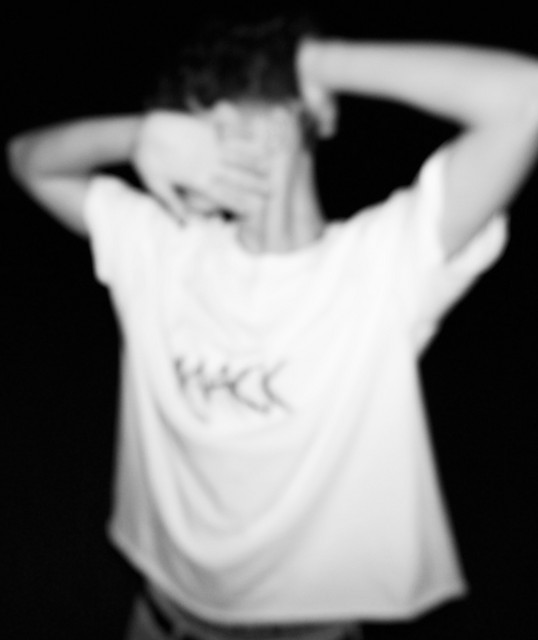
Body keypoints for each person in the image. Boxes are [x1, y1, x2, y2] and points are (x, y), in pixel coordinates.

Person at [7, 10, 538, 640]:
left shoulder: (379, 266)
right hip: (160, 619)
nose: (191, 150)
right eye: (185, 129)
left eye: (216, 118)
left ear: (304, 119)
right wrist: (137, 136)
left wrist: (315, 64)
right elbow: (28, 159)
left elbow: (524, 99)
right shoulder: (162, 245)